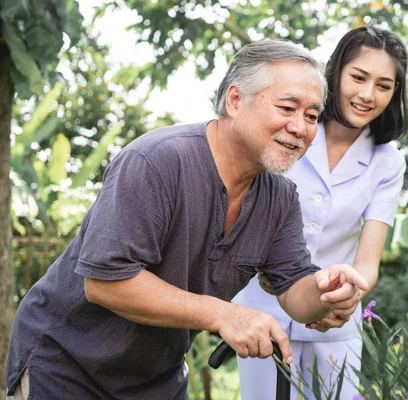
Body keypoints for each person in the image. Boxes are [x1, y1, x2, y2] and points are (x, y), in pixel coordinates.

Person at [5, 39, 370, 400]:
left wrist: (325, 292)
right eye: (288, 107)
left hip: (156, 379)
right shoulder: (155, 162)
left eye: (311, 116)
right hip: (67, 366)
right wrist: (224, 314)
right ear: (235, 100)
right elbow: (104, 282)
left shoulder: (281, 198)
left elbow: (295, 291)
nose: (300, 127)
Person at [234, 26, 408, 399]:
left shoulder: (388, 162)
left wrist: (341, 299)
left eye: (383, 85)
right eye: (358, 78)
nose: (367, 95)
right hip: (263, 316)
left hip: (335, 326)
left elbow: (368, 261)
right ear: (334, 71)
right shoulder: (290, 131)